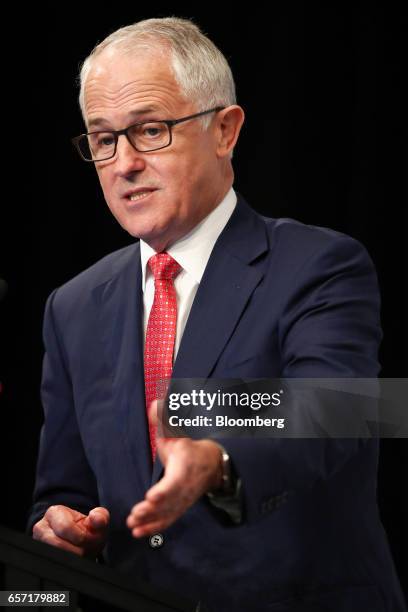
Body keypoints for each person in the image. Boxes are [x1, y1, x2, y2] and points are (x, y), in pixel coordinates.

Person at [28, 17, 406, 612]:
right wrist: (61, 529)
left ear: (225, 130)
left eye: (150, 130)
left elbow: (350, 407)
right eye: (103, 140)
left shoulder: (319, 263)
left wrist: (218, 456)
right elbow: (62, 490)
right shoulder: (72, 305)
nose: (124, 163)